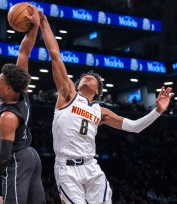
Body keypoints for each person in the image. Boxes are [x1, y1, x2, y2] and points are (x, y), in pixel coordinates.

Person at [39, 13, 174, 204]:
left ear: (97, 90)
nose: (86, 77)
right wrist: (44, 23)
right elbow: (55, 55)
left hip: (91, 167)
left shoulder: (100, 111)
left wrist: (158, 111)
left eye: (91, 78)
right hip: (66, 168)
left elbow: (134, 127)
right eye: (84, 76)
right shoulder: (68, 95)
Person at [0, 5, 46, 204]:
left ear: (9, 88)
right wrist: (34, 27)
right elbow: (24, 52)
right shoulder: (21, 92)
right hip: (32, 155)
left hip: (18, 159)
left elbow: (5, 156)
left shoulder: (7, 117)